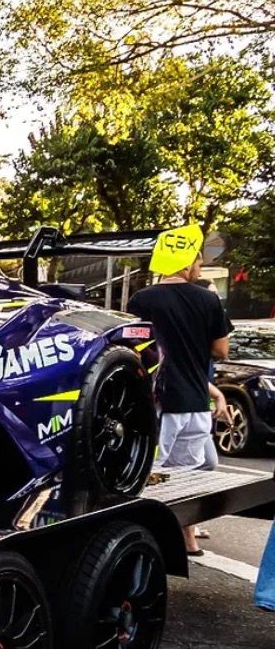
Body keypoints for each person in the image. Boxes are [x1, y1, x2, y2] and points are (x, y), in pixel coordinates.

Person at [127, 225, 232, 556]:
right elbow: (221, 351)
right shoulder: (207, 299)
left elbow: (132, 347)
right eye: (198, 261)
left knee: (147, 475)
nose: (200, 268)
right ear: (187, 263)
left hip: (155, 406)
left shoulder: (141, 300)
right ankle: (187, 540)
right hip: (194, 405)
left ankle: (144, 541)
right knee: (187, 478)